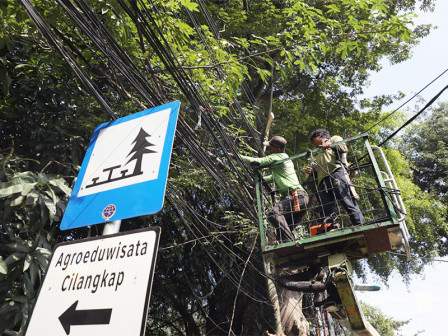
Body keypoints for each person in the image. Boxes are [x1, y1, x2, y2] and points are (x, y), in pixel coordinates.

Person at [231, 136, 308, 242]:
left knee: (274, 214)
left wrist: (236, 156)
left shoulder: (278, 156)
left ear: (277, 149)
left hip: (295, 196)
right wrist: (258, 181)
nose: (269, 149)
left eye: (271, 147)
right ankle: (288, 244)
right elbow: (273, 177)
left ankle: (290, 244)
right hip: (301, 197)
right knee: (284, 231)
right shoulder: (284, 159)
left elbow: (256, 162)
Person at [304, 129, 364, 227]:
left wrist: (330, 144)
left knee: (347, 201)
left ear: (319, 135)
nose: (313, 145)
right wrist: (312, 171)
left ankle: (359, 224)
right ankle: (330, 227)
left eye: (313, 141)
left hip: (336, 174)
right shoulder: (319, 153)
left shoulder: (334, 138)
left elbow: (343, 148)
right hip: (322, 182)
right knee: (327, 209)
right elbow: (319, 169)